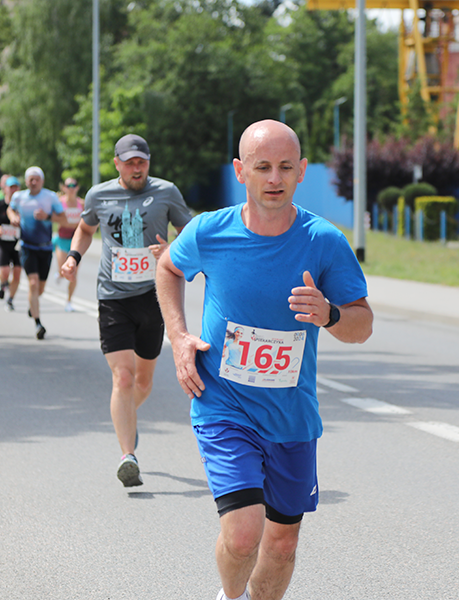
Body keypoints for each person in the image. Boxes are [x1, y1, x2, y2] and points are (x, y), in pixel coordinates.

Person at [154, 120, 373, 600]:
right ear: (240, 171)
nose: (274, 178)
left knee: (281, 546)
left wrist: (331, 314)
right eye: (262, 167)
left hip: (291, 417)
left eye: (285, 167)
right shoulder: (210, 231)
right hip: (223, 406)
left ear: (301, 173)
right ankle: (229, 597)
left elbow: (363, 324)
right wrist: (179, 336)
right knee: (243, 535)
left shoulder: (324, 242)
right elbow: (168, 267)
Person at [60, 133, 192, 487]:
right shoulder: (98, 195)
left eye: (142, 162)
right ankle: (127, 455)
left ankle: (126, 419)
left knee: (144, 381)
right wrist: (73, 257)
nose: (137, 168)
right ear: (117, 163)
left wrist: (172, 250)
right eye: (130, 162)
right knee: (123, 377)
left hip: (154, 296)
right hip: (113, 297)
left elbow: (190, 231)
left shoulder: (166, 192)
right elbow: (85, 230)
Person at [8, 166, 68, 339]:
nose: (33, 182)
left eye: (37, 179)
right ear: (26, 181)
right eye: (30, 179)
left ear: (42, 181)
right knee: (33, 283)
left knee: (40, 288)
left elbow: (63, 219)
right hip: (27, 246)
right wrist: (13, 217)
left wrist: (47, 217)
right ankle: (38, 323)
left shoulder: (50, 197)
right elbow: (10, 209)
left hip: (46, 247)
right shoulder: (19, 197)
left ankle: (32, 305)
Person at [0, 176, 22, 310]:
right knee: (4, 270)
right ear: (5, 189)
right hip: (2, 242)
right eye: (11, 187)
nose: (13, 190)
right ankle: (2, 282)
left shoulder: (22, 205)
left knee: (17, 272)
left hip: (18, 243)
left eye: (16, 187)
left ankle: (10, 300)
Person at [54, 177, 83, 312]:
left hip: (76, 241)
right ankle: (59, 275)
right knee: (62, 269)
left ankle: (69, 301)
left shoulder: (81, 204)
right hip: (62, 238)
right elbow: (53, 217)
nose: (71, 188)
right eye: (68, 185)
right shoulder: (60, 202)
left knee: (73, 272)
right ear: (63, 188)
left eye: (73, 185)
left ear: (77, 187)